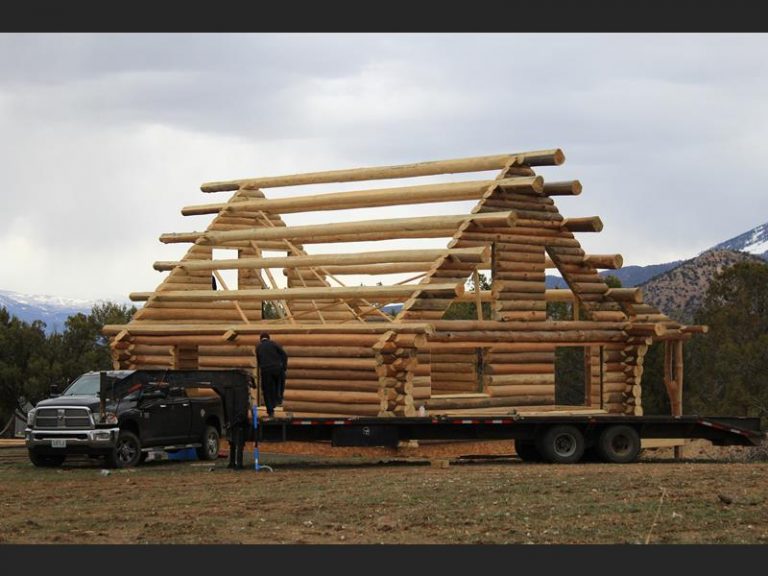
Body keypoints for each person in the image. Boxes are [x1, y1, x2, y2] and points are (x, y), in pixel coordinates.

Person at [256, 332, 288, 418]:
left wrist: (262, 369)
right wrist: (284, 367)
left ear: (261, 339)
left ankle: (270, 411)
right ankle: (279, 398)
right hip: (277, 368)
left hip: (265, 370)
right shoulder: (274, 344)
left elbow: (258, 361)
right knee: (280, 383)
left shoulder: (258, 347)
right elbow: (284, 354)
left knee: (267, 390)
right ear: (268, 338)